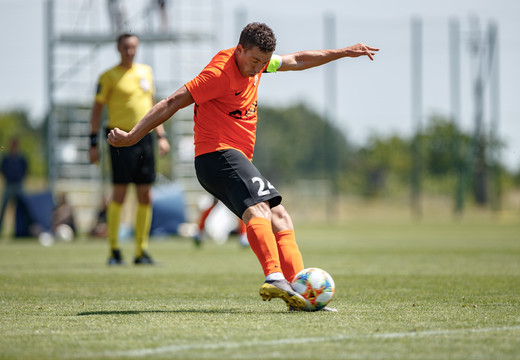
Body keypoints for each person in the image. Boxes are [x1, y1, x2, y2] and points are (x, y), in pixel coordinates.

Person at [108, 23, 378, 309]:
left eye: (264, 62)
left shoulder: (257, 63)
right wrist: (132, 136)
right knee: (259, 210)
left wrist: (343, 52)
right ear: (240, 49)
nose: (258, 68)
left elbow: (297, 60)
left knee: (280, 217)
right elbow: (174, 101)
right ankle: (274, 276)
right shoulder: (218, 74)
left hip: (233, 158)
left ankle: (298, 293)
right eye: (254, 61)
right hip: (217, 155)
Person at [89, 33, 171, 266]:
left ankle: (140, 251)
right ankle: (114, 250)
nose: (130, 51)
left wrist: (161, 135)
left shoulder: (146, 71)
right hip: (118, 139)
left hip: (144, 139)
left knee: (146, 194)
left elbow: (155, 107)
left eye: (133, 47)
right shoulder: (108, 76)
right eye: (126, 47)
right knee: (120, 193)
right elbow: (96, 111)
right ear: (118, 48)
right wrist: (93, 142)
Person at [0, 138, 28, 235]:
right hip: (9, 184)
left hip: (18, 185)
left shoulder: (21, 158)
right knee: (4, 207)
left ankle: (19, 231)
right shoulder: (6, 158)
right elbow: (2, 169)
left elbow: (25, 170)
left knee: (20, 209)